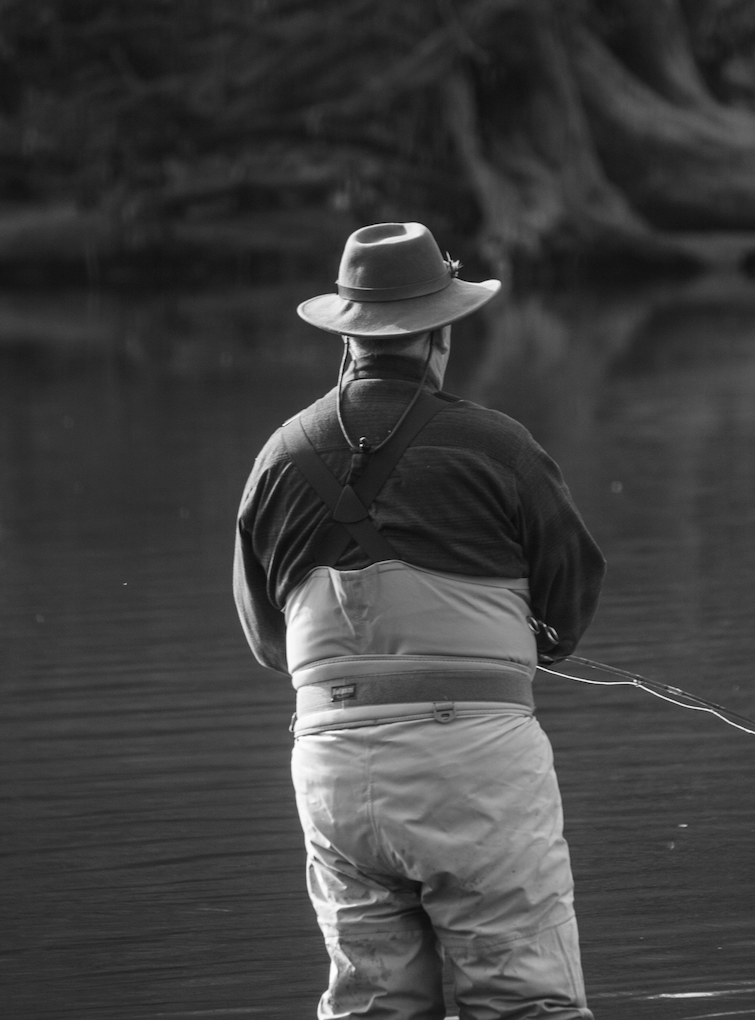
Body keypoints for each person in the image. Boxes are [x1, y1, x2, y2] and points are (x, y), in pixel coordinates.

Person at [233, 221, 604, 1019]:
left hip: (331, 770)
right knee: (525, 1002)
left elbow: (268, 644)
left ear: (347, 337)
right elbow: (571, 595)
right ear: (442, 333)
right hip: (475, 767)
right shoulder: (499, 448)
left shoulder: (277, 459)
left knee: (375, 1008)